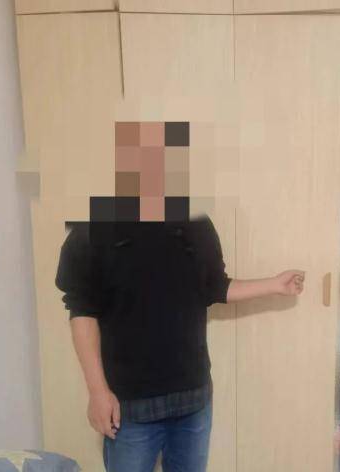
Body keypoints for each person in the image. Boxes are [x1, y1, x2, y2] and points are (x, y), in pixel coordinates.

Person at [55, 121, 305, 472]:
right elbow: (81, 309)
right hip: (130, 406)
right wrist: (98, 392)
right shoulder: (95, 228)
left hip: (193, 401)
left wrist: (274, 284)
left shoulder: (195, 223)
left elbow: (216, 287)